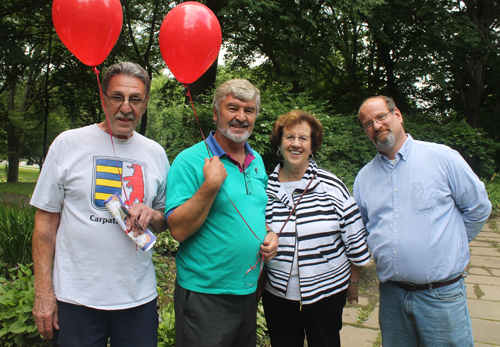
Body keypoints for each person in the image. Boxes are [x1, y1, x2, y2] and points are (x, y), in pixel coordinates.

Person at [31, 62, 169, 347]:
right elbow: (45, 224)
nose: (126, 107)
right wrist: (43, 293)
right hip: (75, 299)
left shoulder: (155, 153)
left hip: (137, 300)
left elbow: (165, 217)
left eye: (135, 99)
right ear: (103, 97)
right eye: (117, 96)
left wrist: (153, 214)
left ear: (145, 104)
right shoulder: (68, 144)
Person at [353, 96, 492, 347]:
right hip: (392, 296)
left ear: (398, 115)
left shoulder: (442, 158)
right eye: (368, 123)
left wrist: (453, 244)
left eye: (381, 116)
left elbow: (478, 208)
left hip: (440, 296)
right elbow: (364, 227)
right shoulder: (364, 178)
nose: (376, 126)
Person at [165, 79, 278, 347]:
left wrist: (270, 234)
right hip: (206, 295)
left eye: (248, 110)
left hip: (248, 291)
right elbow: (178, 230)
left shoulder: (257, 161)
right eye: (232, 108)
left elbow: (254, 214)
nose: (241, 117)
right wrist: (211, 185)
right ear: (216, 114)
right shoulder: (189, 161)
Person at [263, 110, 372, 347]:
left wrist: (353, 283)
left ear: (312, 147)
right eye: (289, 137)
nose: (296, 143)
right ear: (279, 144)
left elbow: (354, 240)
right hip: (278, 295)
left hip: (327, 292)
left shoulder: (331, 186)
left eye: (303, 138)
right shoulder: (263, 189)